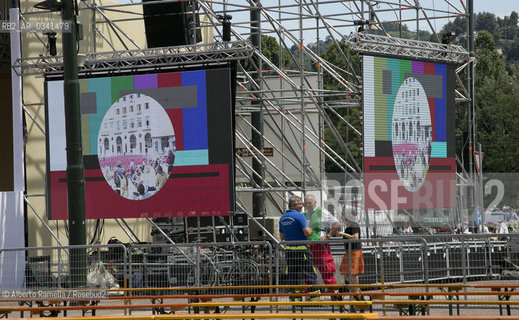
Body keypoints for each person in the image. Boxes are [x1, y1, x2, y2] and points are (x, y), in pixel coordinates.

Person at [279, 195, 320, 301]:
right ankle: (315, 298)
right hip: (302, 250)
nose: (302, 206)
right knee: (309, 272)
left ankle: (295, 298)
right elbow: (307, 232)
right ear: (294, 205)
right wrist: (311, 230)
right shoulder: (300, 216)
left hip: (289, 251)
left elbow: (282, 237)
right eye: (300, 204)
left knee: (292, 274)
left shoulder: (283, 218)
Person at [302, 194, 340, 288]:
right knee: (308, 272)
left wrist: (328, 236)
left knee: (327, 270)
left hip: (321, 247)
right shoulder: (303, 215)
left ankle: (334, 296)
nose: (307, 205)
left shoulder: (321, 211)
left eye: (309, 203)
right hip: (308, 247)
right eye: (306, 203)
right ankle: (310, 297)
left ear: (315, 203)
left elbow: (336, 223)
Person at [337, 211, 364, 300]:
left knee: (353, 273)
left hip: (354, 251)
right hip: (349, 251)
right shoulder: (350, 225)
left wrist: (343, 234)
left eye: (343, 214)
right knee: (345, 272)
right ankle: (356, 290)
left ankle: (357, 292)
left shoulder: (354, 225)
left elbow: (356, 237)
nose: (342, 216)